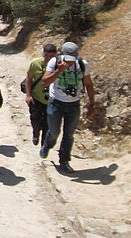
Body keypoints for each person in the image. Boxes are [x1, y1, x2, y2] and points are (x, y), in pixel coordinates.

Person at [40, 41, 96, 173]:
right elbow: (45, 82)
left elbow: (88, 84)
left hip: (73, 104)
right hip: (56, 102)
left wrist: (92, 104)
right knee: (54, 131)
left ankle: (64, 161)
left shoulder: (82, 64)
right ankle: (47, 144)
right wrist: (59, 71)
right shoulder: (54, 62)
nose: (70, 62)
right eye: (68, 60)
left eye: (73, 60)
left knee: (69, 134)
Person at [24, 44, 57, 146]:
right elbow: (29, 79)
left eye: (51, 56)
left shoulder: (59, 66)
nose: (48, 58)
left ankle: (44, 144)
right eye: (46, 55)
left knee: (48, 122)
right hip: (36, 97)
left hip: (52, 99)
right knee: (35, 119)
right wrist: (28, 95)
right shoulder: (35, 63)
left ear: (55, 55)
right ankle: (36, 133)